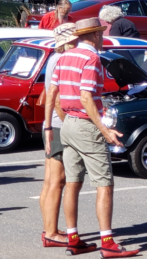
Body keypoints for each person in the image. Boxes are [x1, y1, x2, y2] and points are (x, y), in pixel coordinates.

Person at [55, 18, 139, 257]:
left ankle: (73, 237)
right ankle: (108, 242)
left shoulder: (63, 57)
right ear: (93, 35)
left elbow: (58, 96)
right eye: (101, 33)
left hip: (68, 123)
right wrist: (104, 129)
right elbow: (85, 97)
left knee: (72, 182)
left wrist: (66, 122)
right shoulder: (91, 59)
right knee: (104, 183)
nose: (103, 37)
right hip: (85, 124)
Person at [39, 23, 78, 249]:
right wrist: (69, 125)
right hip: (58, 126)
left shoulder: (54, 58)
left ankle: (49, 228)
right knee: (57, 181)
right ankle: (51, 232)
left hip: (51, 125)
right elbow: (59, 99)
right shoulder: (62, 59)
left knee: (49, 181)